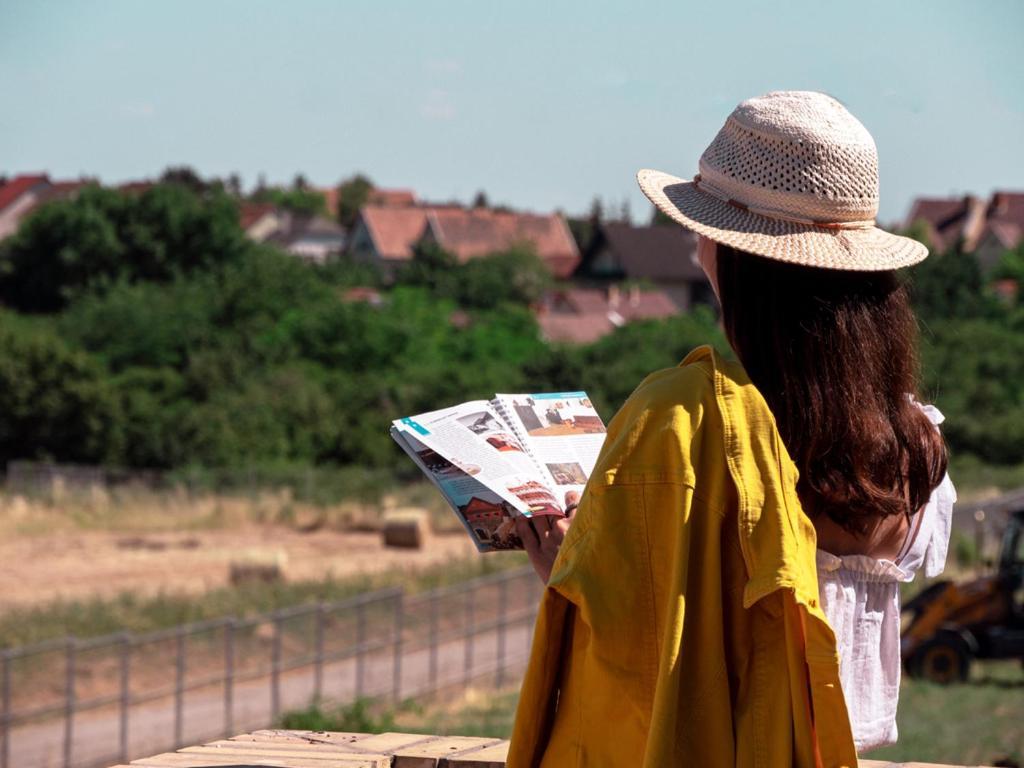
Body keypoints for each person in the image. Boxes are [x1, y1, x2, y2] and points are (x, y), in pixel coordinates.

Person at [509, 91, 954, 767]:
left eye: (705, 231)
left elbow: (648, 649)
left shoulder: (680, 414)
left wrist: (569, 568)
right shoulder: (911, 443)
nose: (697, 249)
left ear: (738, 259)